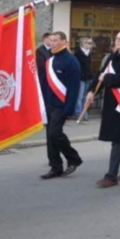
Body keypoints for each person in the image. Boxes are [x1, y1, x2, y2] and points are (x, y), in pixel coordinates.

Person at [88, 30, 120, 187]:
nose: (117, 41)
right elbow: (100, 74)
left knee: (118, 138)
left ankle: (111, 176)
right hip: (112, 102)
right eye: (117, 38)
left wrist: (107, 78)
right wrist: (91, 91)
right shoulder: (113, 56)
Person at [40, 31, 83, 180]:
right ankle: (55, 166)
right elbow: (45, 85)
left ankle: (73, 158)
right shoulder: (50, 61)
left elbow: (74, 87)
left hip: (62, 105)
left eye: (56, 40)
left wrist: (69, 108)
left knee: (55, 133)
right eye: (51, 40)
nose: (53, 43)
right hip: (49, 104)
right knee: (50, 137)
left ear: (64, 41)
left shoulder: (71, 61)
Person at [74, 37, 93, 121]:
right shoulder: (78, 53)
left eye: (90, 43)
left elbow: (88, 66)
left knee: (85, 96)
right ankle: (78, 113)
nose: (90, 45)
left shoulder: (89, 53)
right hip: (80, 77)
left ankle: (84, 113)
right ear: (83, 44)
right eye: (88, 43)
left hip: (87, 77)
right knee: (80, 96)